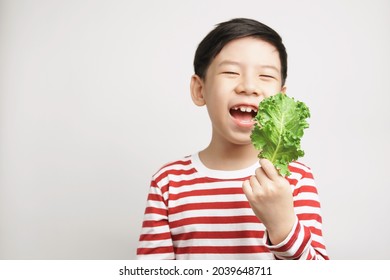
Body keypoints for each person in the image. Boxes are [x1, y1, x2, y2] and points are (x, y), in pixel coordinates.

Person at [136, 18, 329, 260]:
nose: (248, 86)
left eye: (265, 76)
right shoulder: (168, 182)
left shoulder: (295, 179)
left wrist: (282, 226)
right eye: (230, 72)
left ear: (281, 99)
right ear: (199, 90)